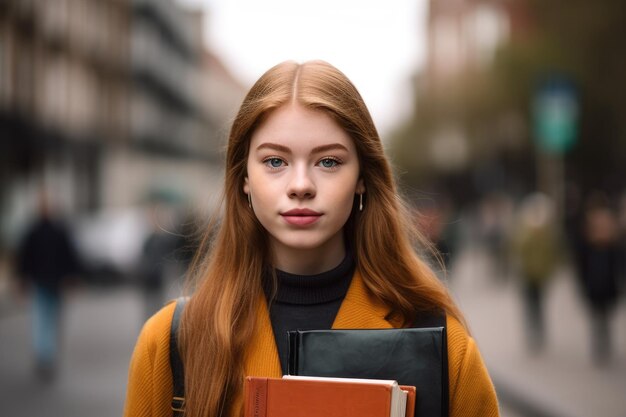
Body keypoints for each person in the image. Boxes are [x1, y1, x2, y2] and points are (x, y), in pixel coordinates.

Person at [123, 60, 499, 417]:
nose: (301, 185)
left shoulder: (442, 345)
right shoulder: (170, 342)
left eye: (328, 161)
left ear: (362, 178)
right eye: (275, 161)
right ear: (244, 179)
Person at [16, 190, 80, 381]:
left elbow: (25, 258)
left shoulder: (35, 230)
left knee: (43, 318)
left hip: (47, 282)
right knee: (48, 319)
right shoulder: (55, 230)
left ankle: (45, 353)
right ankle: (46, 354)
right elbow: (70, 257)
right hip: (50, 282)